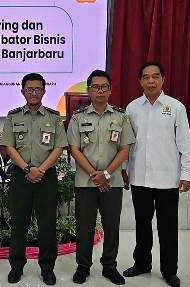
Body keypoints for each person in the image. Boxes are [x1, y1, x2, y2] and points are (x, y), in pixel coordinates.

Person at [122, 61, 190, 287]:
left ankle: (169, 270)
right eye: (146, 77)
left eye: (155, 76)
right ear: (140, 81)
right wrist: (125, 169)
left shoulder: (176, 107)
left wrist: (186, 173)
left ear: (163, 79)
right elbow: (127, 143)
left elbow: (185, 144)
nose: (151, 81)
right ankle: (142, 263)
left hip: (168, 179)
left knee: (167, 227)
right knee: (142, 224)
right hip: (140, 178)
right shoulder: (132, 108)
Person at [67, 70, 135, 285]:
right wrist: (94, 175)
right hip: (85, 183)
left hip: (112, 182)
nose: (100, 90)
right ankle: (83, 266)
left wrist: (105, 174)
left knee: (111, 225)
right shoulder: (77, 118)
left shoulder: (121, 117)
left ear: (110, 89)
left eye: (104, 86)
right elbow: (74, 150)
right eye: (95, 87)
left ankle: (109, 267)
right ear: (88, 90)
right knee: (84, 227)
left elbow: (124, 149)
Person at [0, 73, 67, 286]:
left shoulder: (54, 117)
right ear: (22, 92)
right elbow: (9, 146)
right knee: (19, 223)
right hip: (21, 175)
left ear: (44, 91)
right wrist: (28, 168)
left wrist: (41, 170)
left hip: (46, 176)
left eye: (38, 89)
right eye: (29, 89)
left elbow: (59, 147)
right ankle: (16, 266)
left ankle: (47, 268)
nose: (34, 93)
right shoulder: (13, 117)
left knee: (47, 224)